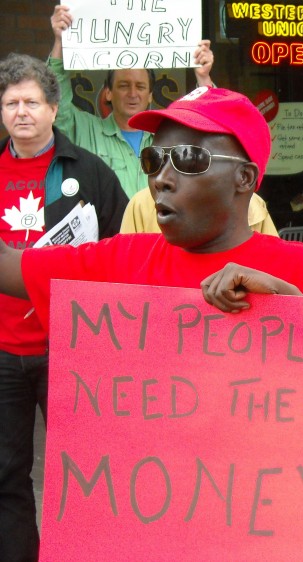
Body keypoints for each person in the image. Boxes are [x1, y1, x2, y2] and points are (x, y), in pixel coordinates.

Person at [0, 85, 303, 433]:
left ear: (245, 178)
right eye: (154, 158)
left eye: (188, 159)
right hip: (148, 521)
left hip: (262, 522)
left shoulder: (301, 270)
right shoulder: (123, 260)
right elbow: (9, 266)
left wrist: (296, 313)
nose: (161, 178)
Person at [0, 53, 128, 562]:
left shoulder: (90, 172)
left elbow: (122, 250)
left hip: (71, 349)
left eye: (32, 101)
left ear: (54, 108)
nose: (21, 112)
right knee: (6, 474)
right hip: (3, 352)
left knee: (84, 470)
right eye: (11, 103)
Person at [48, 4, 216, 197]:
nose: (133, 93)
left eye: (140, 86)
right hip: (108, 227)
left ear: (150, 94)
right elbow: (56, 105)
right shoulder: (85, 129)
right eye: (124, 85)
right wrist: (60, 42)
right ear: (108, 93)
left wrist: (203, 78)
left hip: (158, 227)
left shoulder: (168, 136)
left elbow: (208, 127)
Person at [120, 186, 278, 236]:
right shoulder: (141, 204)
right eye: (156, 159)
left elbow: (277, 271)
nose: (163, 176)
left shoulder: (251, 205)